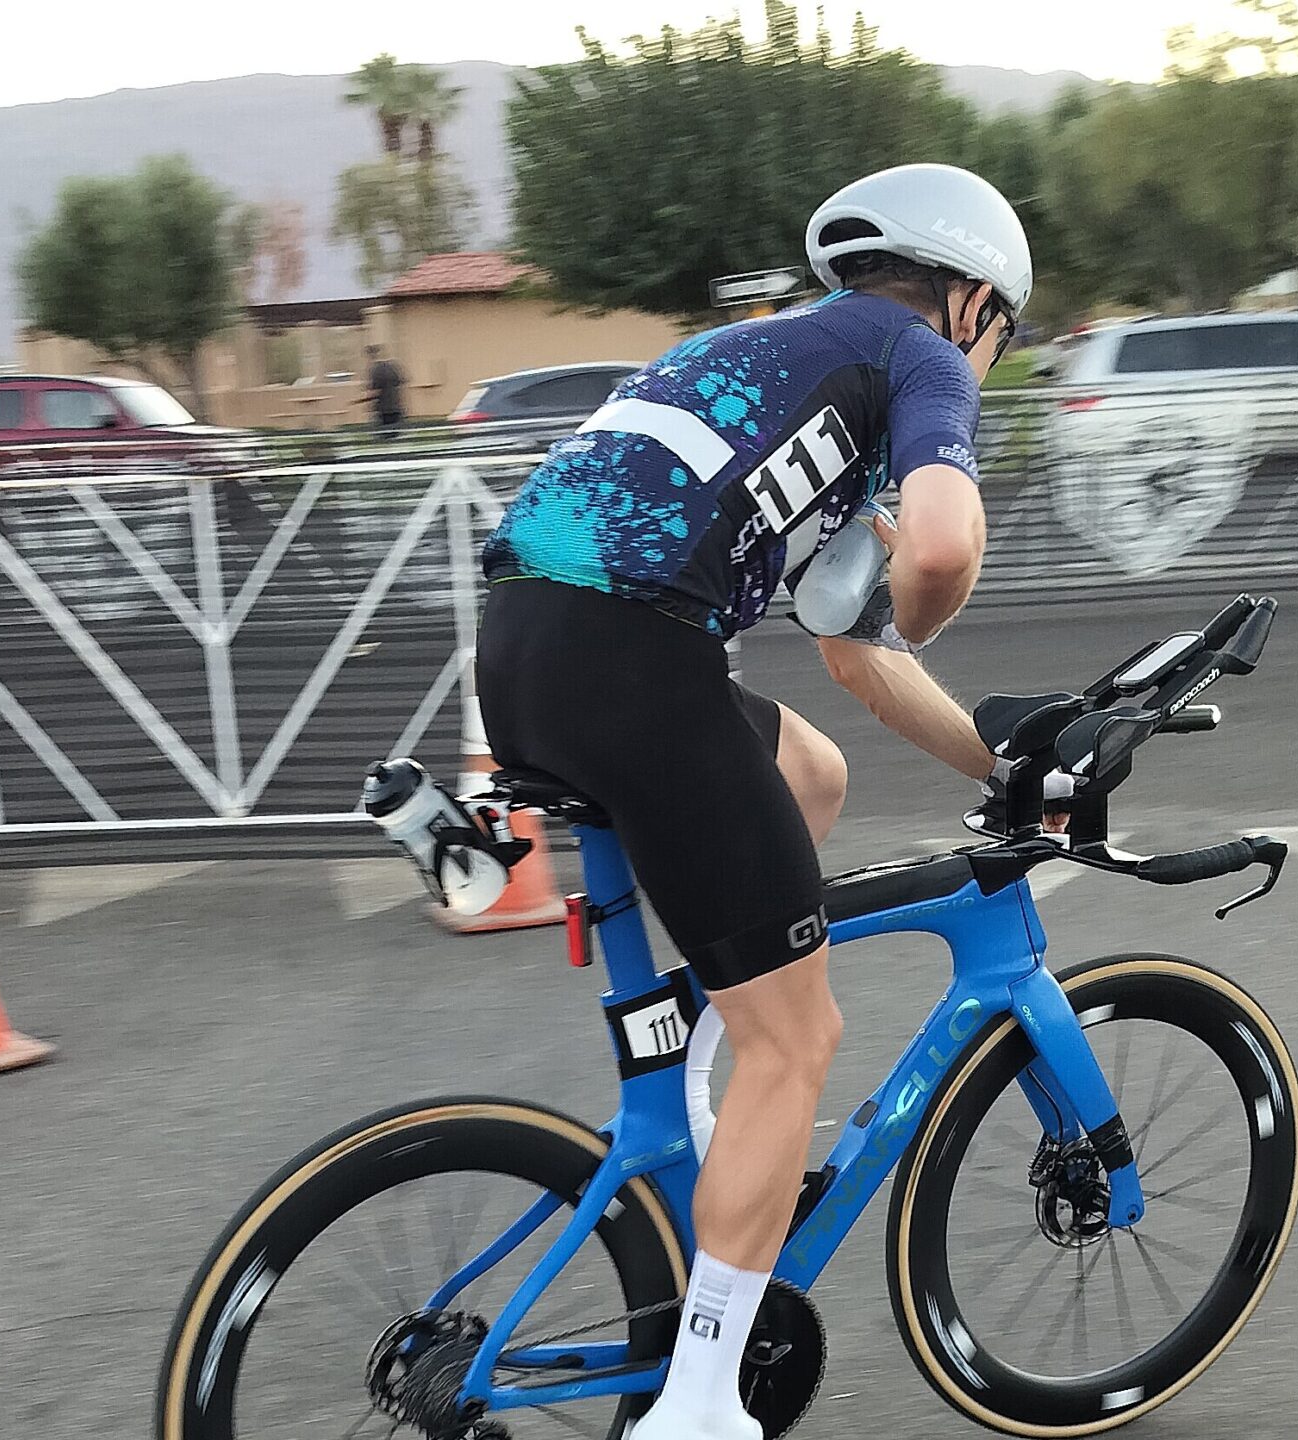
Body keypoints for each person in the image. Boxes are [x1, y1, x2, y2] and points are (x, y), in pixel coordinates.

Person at [477, 163, 1029, 1440]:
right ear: (968, 299)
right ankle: (703, 1403)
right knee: (806, 1041)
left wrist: (998, 775)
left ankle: (709, 1068)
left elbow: (853, 656)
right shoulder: (914, 357)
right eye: (1000, 329)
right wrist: (930, 589)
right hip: (636, 669)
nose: (991, 355)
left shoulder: (764, 353)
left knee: (810, 774)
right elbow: (938, 554)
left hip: (523, 653)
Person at [365, 345, 407, 429]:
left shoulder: (376, 370)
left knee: (384, 433)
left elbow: (376, 391)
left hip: (384, 410)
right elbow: (402, 381)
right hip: (396, 406)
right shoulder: (393, 367)